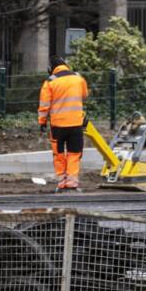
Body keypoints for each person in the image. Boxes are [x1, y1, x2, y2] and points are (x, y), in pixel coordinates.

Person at [38, 54, 89, 191]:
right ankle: (72, 183)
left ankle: (62, 183)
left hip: (58, 126)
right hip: (76, 124)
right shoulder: (78, 78)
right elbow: (84, 95)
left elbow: (44, 106)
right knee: (74, 153)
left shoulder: (49, 82)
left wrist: (42, 122)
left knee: (59, 154)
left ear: (51, 69)